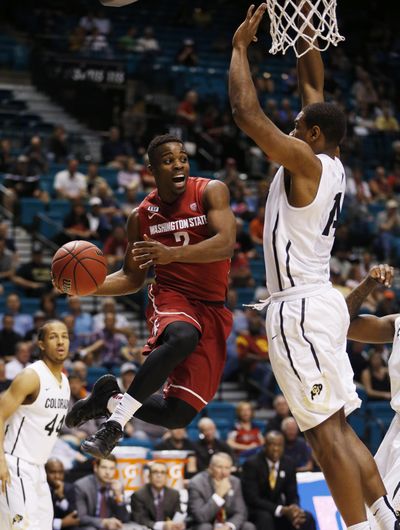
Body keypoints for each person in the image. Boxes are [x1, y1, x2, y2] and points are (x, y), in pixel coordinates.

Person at [228, 4, 398, 530]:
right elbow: (312, 89)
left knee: (325, 437)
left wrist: (239, 50)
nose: (294, 127)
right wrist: (306, 38)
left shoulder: (305, 161)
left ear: (315, 138)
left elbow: (247, 117)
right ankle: (382, 519)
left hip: (299, 308)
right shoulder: (329, 158)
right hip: (319, 302)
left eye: (299, 127)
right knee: (340, 430)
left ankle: (359, 527)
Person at [65, 133, 236, 458]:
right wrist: (88, 285)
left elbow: (226, 243)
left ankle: (108, 399)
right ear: (152, 169)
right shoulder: (141, 217)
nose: (178, 165)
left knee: (177, 415)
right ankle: (114, 426)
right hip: (173, 297)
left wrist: (172, 254)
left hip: (213, 308)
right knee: (183, 335)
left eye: (182, 158)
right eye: (168, 160)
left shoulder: (211, 191)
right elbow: (132, 278)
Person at [0, 320, 71, 530]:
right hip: (15, 465)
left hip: (38, 469)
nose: (60, 342)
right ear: (40, 344)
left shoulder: (64, 382)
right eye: (53, 337)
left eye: (64, 336)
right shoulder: (31, 377)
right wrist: (1, 462)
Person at [345, 263, 400, 518]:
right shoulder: (396, 325)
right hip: (396, 430)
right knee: (378, 516)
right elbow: (344, 323)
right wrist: (368, 284)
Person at [241, 431, 316, 530]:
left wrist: (294, 508)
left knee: (306, 517)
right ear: (265, 445)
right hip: (257, 510)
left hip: (280, 509)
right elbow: (253, 499)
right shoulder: (252, 464)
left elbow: (292, 494)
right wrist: (280, 509)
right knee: (265, 518)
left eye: (279, 445)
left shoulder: (288, 463)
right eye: (272, 445)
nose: (276, 449)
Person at [188, 452, 255, 530]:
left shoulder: (235, 482)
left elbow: (240, 512)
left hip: (226, 523)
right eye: (219, 467)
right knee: (205, 527)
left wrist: (229, 526)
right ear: (210, 468)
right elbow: (200, 517)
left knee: (248, 526)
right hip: (206, 524)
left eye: (227, 468)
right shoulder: (197, 483)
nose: (224, 472)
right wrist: (218, 495)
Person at [74, 455, 135, 530]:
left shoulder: (117, 486)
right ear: (96, 468)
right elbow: (81, 518)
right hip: (91, 526)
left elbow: (124, 518)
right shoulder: (82, 486)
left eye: (111, 468)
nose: (108, 472)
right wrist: (104, 522)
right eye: (104, 467)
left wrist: (118, 496)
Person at [130, 461, 185, 530]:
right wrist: (162, 526)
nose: (159, 476)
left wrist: (178, 524)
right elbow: (140, 519)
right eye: (155, 472)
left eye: (162, 472)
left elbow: (178, 514)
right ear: (149, 476)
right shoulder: (138, 495)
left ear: (167, 477)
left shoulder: (174, 494)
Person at [45, 458, 80, 530]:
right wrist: (61, 523)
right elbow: (39, 516)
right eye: (52, 472)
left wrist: (61, 497)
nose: (57, 476)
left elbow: (74, 514)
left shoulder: (69, 488)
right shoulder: (41, 490)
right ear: (45, 472)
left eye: (60, 472)